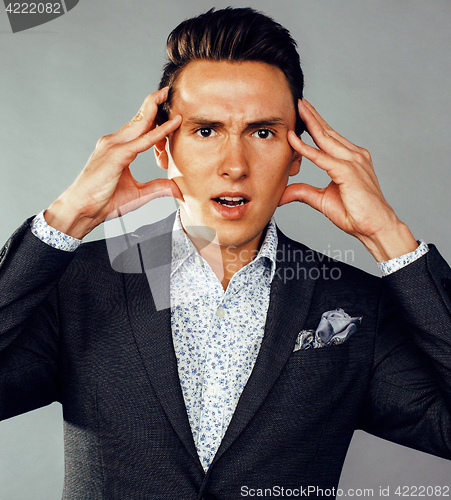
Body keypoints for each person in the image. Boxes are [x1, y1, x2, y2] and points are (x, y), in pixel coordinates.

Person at [1, 6, 450, 499]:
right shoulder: (78, 283)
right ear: (162, 149)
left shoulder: (357, 304)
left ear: (297, 152)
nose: (234, 165)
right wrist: (67, 218)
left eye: (262, 132)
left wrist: (389, 236)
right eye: (206, 130)